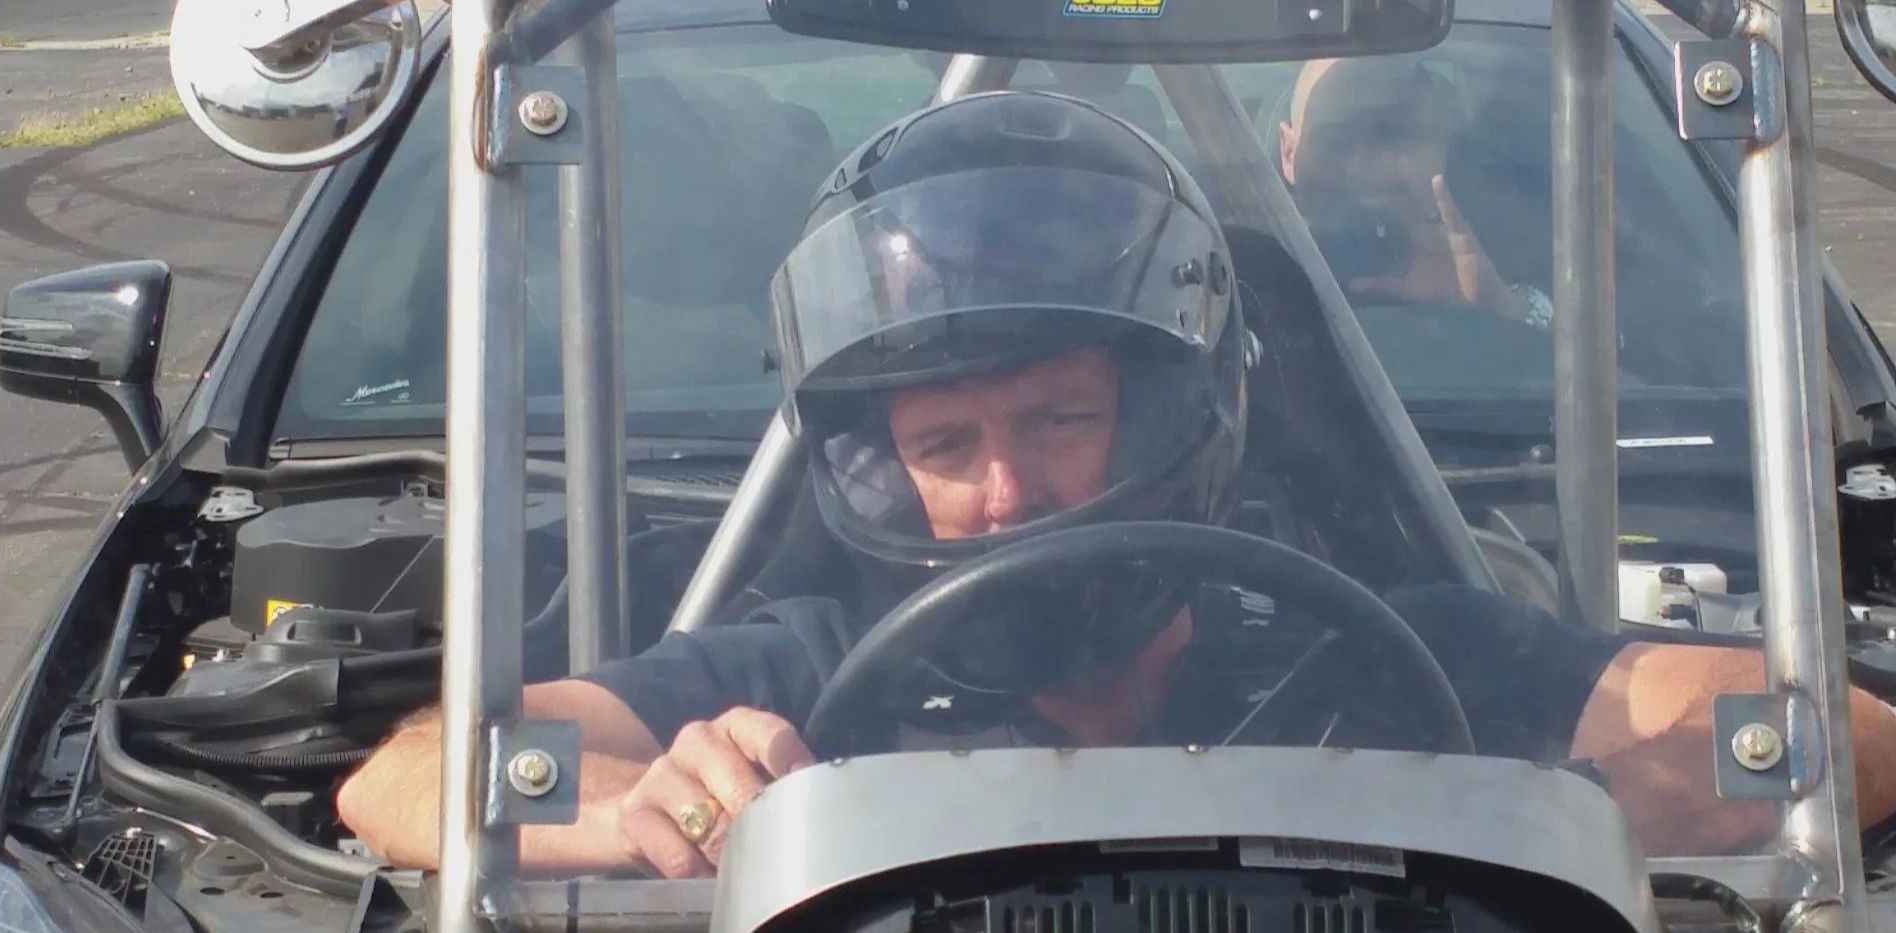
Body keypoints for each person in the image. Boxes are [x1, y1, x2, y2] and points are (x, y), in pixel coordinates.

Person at [337, 89, 1896, 878]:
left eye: (1060, 419)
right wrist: (630, 807)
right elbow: (400, 776)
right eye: (946, 445)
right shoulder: (796, 670)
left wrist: (1558, 817)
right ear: (879, 466)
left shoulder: (1385, 646)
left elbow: (1840, 732)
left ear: (1168, 411)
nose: (1007, 488)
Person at [1277, 56, 1555, 329]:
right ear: (1288, 153)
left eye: (1393, 133)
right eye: (1336, 140)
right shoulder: (1247, 265)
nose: (1371, 168)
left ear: (1443, 145)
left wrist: (1501, 309)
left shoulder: (1531, 241)